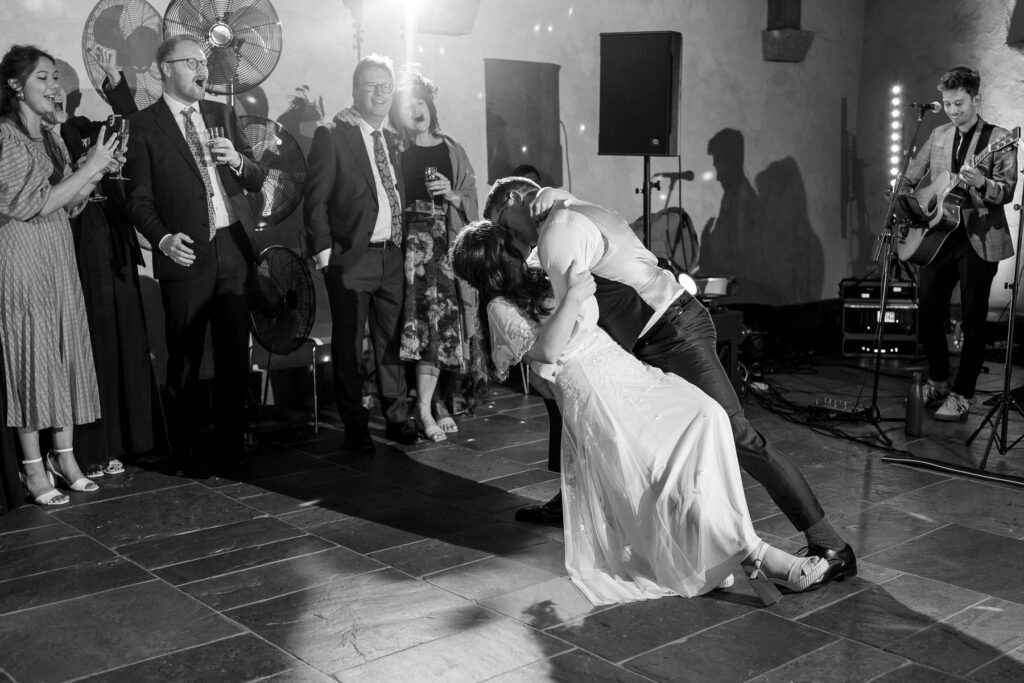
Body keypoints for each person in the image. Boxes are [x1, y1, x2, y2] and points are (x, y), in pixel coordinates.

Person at [485, 177, 856, 587]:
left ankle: (830, 545)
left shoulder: (557, 234)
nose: (508, 236)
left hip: (672, 334)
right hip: (663, 332)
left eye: (504, 223)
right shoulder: (567, 212)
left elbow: (577, 319)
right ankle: (697, 551)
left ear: (519, 199)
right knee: (661, 451)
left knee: (737, 438)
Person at [124, 35, 268, 476]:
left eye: (204, 62)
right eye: (191, 62)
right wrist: (162, 240)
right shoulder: (144, 125)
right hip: (185, 252)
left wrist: (239, 162)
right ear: (166, 68)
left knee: (232, 355)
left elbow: (257, 177)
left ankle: (231, 445)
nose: (202, 70)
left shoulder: (220, 113)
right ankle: (185, 450)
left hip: (232, 248)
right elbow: (138, 201)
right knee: (184, 356)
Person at [0, 44, 118, 506]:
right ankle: (33, 469)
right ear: (16, 86)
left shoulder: (51, 136)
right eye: (43, 78)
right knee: (32, 355)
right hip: (21, 256)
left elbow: (68, 204)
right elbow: (32, 205)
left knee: (65, 348)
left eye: (55, 78)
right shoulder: (5, 137)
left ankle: (65, 459)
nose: (55, 87)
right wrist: (88, 166)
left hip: (57, 254)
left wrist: (96, 173)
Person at [304, 54, 417, 452]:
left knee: (390, 343)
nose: (380, 92)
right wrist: (324, 258)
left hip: (392, 257)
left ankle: (398, 416)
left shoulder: (392, 139)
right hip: (351, 259)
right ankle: (355, 425)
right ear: (355, 91)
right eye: (371, 85)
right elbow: (315, 201)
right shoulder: (333, 135)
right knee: (349, 348)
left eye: (386, 86)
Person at [901, 66, 1017, 421]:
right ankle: (938, 379)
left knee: (973, 319)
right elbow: (912, 176)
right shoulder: (938, 134)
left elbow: (1006, 191)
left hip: (978, 239)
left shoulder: (999, 138)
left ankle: (962, 394)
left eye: (959, 103)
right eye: (948, 104)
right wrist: (912, 200)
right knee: (929, 312)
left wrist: (981, 181)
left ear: (976, 99)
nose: (953, 110)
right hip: (938, 237)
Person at [59, 46, 153, 478]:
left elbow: (132, 128)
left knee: (125, 339)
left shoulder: (87, 128)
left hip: (113, 240)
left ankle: (128, 440)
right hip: (75, 246)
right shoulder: (34, 139)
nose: (58, 93)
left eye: (62, 86)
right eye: (48, 83)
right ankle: (90, 446)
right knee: (92, 346)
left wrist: (116, 81)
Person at [389, 70, 479, 440]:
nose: (416, 109)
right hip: (410, 246)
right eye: (408, 105)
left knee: (445, 326)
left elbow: (474, 194)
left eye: (420, 102)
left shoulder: (451, 147)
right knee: (418, 325)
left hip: (444, 243)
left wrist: (454, 196)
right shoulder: (395, 148)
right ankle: (424, 408)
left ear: (430, 106)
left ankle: (436, 402)